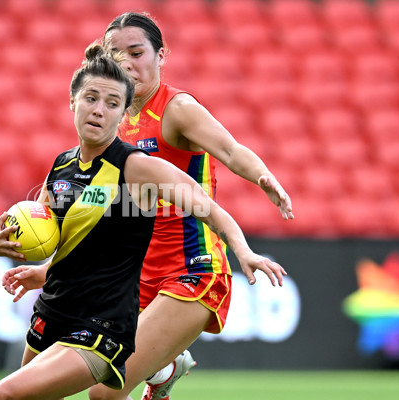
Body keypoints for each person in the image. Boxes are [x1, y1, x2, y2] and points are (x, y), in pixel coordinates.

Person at [0, 43, 286, 400]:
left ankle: (158, 365)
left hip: (117, 311)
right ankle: (161, 368)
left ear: (123, 113)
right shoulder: (62, 166)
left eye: (111, 104)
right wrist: (6, 249)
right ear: (72, 102)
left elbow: (208, 204)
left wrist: (244, 250)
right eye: (90, 98)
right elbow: (68, 236)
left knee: (15, 397)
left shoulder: (139, 164)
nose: (98, 110)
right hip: (57, 305)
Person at [84, 12, 295, 400]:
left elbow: (231, 150)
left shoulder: (175, 108)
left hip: (193, 269)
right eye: (116, 54)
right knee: (105, 390)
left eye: (137, 51)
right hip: (138, 278)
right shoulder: (112, 118)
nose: (127, 62)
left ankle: (162, 369)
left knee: (103, 391)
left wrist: (263, 176)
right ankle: (163, 370)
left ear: (161, 55)